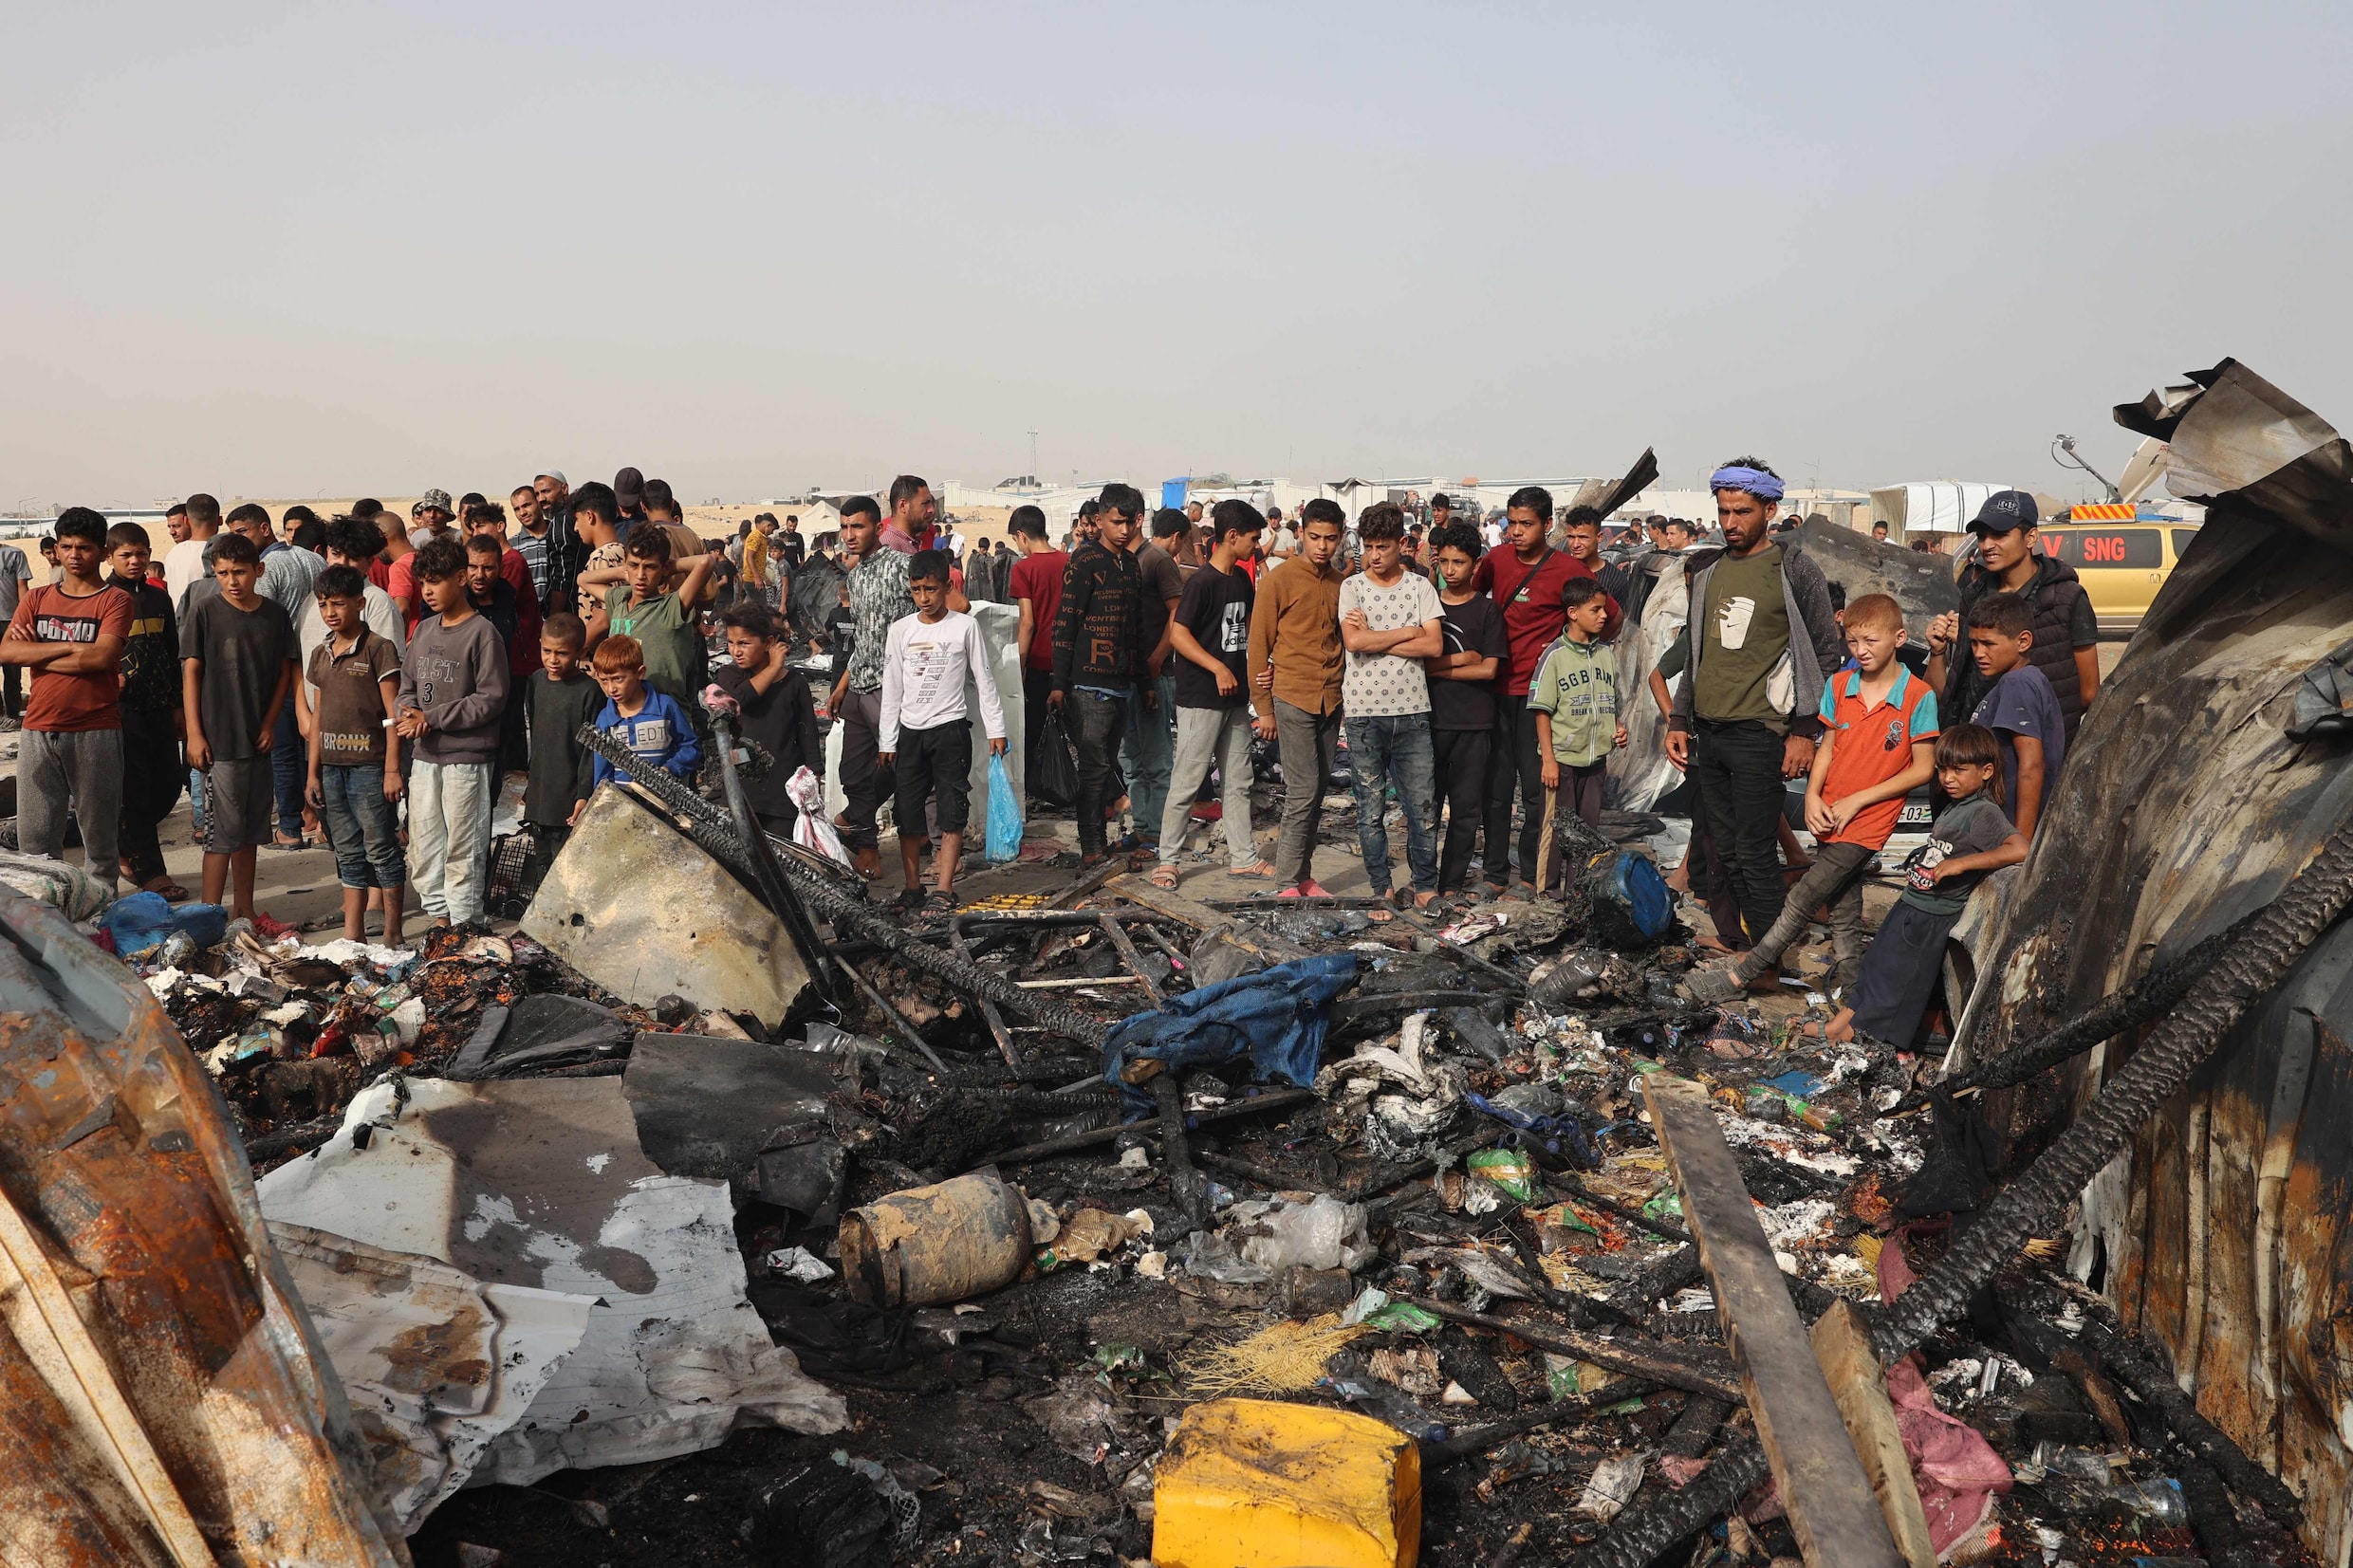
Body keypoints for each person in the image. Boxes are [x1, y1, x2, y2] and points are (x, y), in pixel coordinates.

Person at [1686, 593, 1937, 1004]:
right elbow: (1827, 747)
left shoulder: (1917, 696)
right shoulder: (1840, 684)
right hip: (1828, 813)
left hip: (1867, 820)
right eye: (1853, 641)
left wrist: (1858, 801)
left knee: (1804, 896)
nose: (1861, 651)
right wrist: (1815, 797)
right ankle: (1852, 992)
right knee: (1843, 906)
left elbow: (1922, 768)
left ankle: (1744, 975)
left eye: (1871, 641)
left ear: (1899, 638)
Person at [1664, 460, 1845, 950]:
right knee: (1721, 850)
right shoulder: (1706, 571)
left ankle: (1768, 961)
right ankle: (1736, 940)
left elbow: (1826, 653)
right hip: (1710, 733)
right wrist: (1679, 719)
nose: (1729, 522)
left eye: (1741, 511)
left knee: (1756, 851)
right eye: (1723, 511)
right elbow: (1697, 660)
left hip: (1762, 734)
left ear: (1769, 509)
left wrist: (1805, 731)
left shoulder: (1793, 568)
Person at [1820, 725, 2025, 1046]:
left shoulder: (1984, 813)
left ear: (1987, 771)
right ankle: (1838, 1027)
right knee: (1875, 971)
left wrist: (1960, 864)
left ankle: (1857, 1038)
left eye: (1959, 770)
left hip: (1932, 918)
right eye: (1943, 769)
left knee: (1896, 986)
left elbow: (2019, 848)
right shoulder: (1956, 805)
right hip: (1911, 906)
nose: (1947, 778)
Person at [1473, 485, 1610, 896]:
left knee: (1537, 793)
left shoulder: (1568, 569)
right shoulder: (1495, 560)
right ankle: (1496, 873)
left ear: (1548, 525)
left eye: (1526, 524)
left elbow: (1608, 616)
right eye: (1511, 523)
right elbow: (1470, 598)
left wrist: (1571, 660)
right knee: (1496, 789)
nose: (1516, 531)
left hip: (1540, 701)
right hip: (1495, 690)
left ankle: (1535, 872)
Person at [5, 507, 130, 895]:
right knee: (36, 842)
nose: (74, 555)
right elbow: (8, 652)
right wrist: (71, 647)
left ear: (102, 552)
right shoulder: (38, 597)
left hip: (95, 728)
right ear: (56, 549)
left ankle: (99, 914)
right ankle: (50, 922)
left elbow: (100, 658)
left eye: (84, 548)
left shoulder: (115, 600)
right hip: (38, 727)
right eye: (66, 547)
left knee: (100, 840)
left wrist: (39, 650)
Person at [1153, 500, 1275, 888]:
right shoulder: (1201, 583)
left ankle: (1243, 857)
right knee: (1188, 780)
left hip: (1235, 699)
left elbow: (1249, 632)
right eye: (1253, 539)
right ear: (1232, 536)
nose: (1257, 546)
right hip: (1200, 697)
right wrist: (1218, 666)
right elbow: (1179, 634)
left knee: (1238, 781)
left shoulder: (1240, 580)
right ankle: (1168, 859)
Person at [879, 550, 1007, 910]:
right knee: (908, 811)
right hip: (910, 732)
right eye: (917, 590)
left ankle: (945, 889)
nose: (924, 598)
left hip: (950, 730)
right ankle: (912, 886)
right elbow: (893, 688)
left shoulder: (964, 627)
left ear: (947, 587)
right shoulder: (900, 630)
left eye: (931, 589)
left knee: (952, 810)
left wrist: (997, 728)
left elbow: (985, 680)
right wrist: (887, 739)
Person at [181, 530, 296, 920]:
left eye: (241, 572)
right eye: (225, 572)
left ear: (258, 570)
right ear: (214, 572)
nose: (233, 581)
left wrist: (269, 723)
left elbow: (284, 673)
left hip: (258, 741)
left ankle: (244, 911)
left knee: (251, 832)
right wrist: (194, 734)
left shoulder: (274, 615)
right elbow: (191, 671)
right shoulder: (205, 612)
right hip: (219, 740)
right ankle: (209, 915)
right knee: (220, 836)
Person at [397, 538, 510, 930]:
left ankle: (466, 928)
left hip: (467, 759)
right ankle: (441, 925)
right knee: (425, 847)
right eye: (423, 582)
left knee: (464, 848)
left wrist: (433, 717)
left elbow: (491, 698)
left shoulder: (482, 633)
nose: (427, 591)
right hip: (425, 758)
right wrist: (408, 712)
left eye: (436, 581)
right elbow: (407, 685)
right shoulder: (424, 631)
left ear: (461, 578)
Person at [1337, 502, 1445, 911]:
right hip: (1365, 714)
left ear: (1402, 544)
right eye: (1367, 547)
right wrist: (1406, 632)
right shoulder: (1352, 588)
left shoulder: (1420, 588)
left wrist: (1377, 635)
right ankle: (1380, 886)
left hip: (1413, 712)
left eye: (1382, 546)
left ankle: (1424, 887)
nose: (1373, 555)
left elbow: (1433, 645)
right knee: (1370, 810)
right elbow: (1355, 642)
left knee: (1422, 807)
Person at [1926, 489, 2099, 744]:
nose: (1987, 545)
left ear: (2030, 538)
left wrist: (2039, 735)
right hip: (1977, 750)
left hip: (2037, 753)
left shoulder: (2066, 599)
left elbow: (2088, 692)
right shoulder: (1974, 594)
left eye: (2000, 535)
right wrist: (1938, 652)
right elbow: (1960, 683)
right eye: (1983, 537)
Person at [1248, 497, 1346, 897]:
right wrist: (1264, 709)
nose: (1322, 546)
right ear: (1301, 534)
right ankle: (1286, 881)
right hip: (1291, 695)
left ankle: (1303, 876)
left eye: (1331, 538)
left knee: (1319, 787)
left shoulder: (1343, 584)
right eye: (1315, 537)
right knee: (1304, 790)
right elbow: (1258, 646)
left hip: (1331, 698)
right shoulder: (1279, 579)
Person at [302, 565, 405, 944]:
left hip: (369, 768)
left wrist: (392, 770)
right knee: (346, 851)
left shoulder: (379, 648)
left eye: (339, 604)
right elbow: (318, 720)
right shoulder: (320, 653)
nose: (330, 612)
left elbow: (393, 717)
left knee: (380, 848)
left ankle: (393, 933)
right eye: (324, 604)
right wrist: (312, 774)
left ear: (360, 604)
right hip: (331, 769)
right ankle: (353, 935)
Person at [1049, 486, 1147, 866]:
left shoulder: (1131, 565)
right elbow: (1066, 622)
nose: (1123, 530)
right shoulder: (1084, 561)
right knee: (1093, 770)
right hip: (1088, 686)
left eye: (1130, 522)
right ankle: (1092, 850)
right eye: (1116, 522)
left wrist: (1146, 683)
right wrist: (1059, 685)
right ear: (1100, 520)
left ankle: (1099, 846)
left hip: (1121, 684)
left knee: (1107, 766)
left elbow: (1136, 628)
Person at [829, 497, 913, 879]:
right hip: (859, 684)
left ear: (878, 528)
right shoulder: (855, 575)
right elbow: (863, 636)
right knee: (852, 772)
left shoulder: (903, 567)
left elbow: (951, 607)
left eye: (857, 527)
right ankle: (866, 846)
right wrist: (842, 685)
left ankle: (855, 823)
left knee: (898, 765)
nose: (849, 536)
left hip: (894, 689)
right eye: (844, 528)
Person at [104, 524, 187, 897]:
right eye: (126, 555)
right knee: (134, 790)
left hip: (160, 706)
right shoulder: (102, 599)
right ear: (110, 557)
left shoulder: (158, 599)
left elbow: (173, 655)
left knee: (169, 784)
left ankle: (128, 844)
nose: (135, 561)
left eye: (141, 554)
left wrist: (178, 706)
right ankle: (152, 872)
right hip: (121, 711)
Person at [1425, 524, 1506, 901]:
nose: (1451, 569)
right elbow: (1418, 665)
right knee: (1425, 809)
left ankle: (1451, 883)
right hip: (1429, 721)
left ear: (1475, 565)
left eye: (1459, 562)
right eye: (1444, 562)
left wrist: (1440, 665)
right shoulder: (1426, 605)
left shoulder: (1487, 610)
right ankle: (1424, 882)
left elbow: (1489, 669)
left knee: (1465, 811)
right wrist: (1464, 658)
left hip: (1474, 723)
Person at [1529, 577, 1627, 876]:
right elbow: (1541, 710)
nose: (1604, 615)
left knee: (1587, 834)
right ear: (1573, 613)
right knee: (1558, 829)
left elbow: (1610, 701)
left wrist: (1618, 726)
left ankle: (1578, 894)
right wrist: (1549, 760)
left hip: (1595, 762)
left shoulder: (1605, 654)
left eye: (1604, 609)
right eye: (1596, 609)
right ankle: (1548, 895)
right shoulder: (1555, 656)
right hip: (1563, 761)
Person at [1958, 592, 2066, 837]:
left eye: (1988, 644)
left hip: (2011, 829)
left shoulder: (2017, 683)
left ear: (2023, 641)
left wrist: (2020, 840)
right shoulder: (2021, 680)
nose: (1978, 653)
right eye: (1974, 643)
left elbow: (2032, 764)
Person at [713, 602, 822, 838]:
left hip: (782, 791)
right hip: (741, 788)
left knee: (784, 857)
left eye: (744, 643)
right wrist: (773, 667)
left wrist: (815, 775)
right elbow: (740, 700)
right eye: (731, 643)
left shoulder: (795, 683)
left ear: (769, 643)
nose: (735, 651)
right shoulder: (729, 675)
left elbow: (808, 733)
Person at [584, 526, 716, 717]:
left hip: (665, 716)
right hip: (624, 714)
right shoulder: (619, 601)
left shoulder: (670, 607)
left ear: (664, 568)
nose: (640, 576)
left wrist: (670, 567)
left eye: (650, 567)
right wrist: (623, 572)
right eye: (634, 565)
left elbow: (706, 561)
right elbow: (584, 579)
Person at [1123, 508, 1188, 847]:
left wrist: (1158, 657)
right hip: (1126, 678)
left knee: (1157, 761)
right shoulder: (1119, 560)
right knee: (1132, 760)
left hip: (1156, 675)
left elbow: (1178, 613)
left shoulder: (1157, 560)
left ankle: (1160, 834)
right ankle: (1144, 827)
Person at [523, 613, 602, 881]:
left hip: (568, 796)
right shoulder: (535, 682)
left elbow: (592, 750)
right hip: (540, 794)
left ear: (582, 651)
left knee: (568, 868)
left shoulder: (589, 691)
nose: (553, 660)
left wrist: (583, 793)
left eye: (562, 653)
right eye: (547, 651)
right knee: (542, 863)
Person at [1006, 505, 1068, 797]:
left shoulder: (1023, 569)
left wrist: (1017, 668)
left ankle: (1035, 789)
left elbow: (1027, 623)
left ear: (1021, 536)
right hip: (1070, 662)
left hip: (1040, 663)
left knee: (1032, 731)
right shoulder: (1070, 562)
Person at [588, 634, 700, 787]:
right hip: (622, 806)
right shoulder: (604, 720)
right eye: (604, 681)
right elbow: (602, 777)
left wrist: (670, 769)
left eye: (618, 679)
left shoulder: (665, 708)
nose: (611, 688)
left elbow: (690, 747)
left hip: (664, 803)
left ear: (640, 673)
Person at [163, 492, 221, 608]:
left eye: (176, 526)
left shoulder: (172, 554)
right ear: (220, 520)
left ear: (187, 521)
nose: (172, 532)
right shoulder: (220, 553)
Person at [0, 528, 33, 728]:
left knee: (13, 672)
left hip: (10, 621)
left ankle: (12, 715)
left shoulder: (14, 554)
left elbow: (22, 587)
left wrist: (24, 618)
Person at [510, 483, 552, 608]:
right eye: (517, 509)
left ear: (539, 503)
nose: (522, 512)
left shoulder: (559, 535)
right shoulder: (512, 546)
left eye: (526, 505)